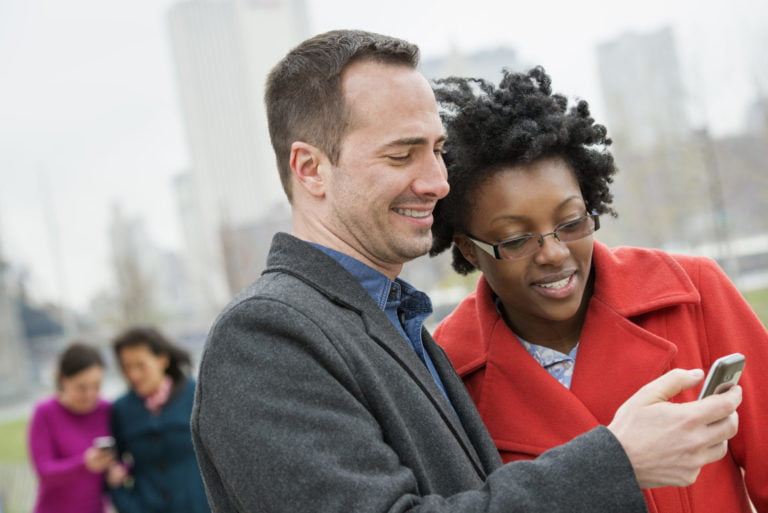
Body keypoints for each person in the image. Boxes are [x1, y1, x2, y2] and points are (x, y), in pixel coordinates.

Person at [191, 29, 741, 513]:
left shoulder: (394, 326)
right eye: (402, 155)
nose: (437, 181)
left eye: (437, 150)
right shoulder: (265, 335)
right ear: (310, 168)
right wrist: (618, 461)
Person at [429, 66, 767, 512]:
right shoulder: (449, 368)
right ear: (469, 251)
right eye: (515, 240)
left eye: (571, 223)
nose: (552, 253)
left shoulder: (694, 293)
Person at [108, 326, 210, 513]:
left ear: (162, 359)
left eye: (140, 365)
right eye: (126, 367)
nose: (133, 375)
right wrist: (128, 504)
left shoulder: (196, 394)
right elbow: (113, 467)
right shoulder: (121, 409)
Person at [27, 342, 114, 513]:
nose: (90, 394)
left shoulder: (106, 410)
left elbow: (123, 456)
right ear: (62, 381)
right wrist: (84, 464)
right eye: (81, 388)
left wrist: (118, 468)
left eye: (96, 386)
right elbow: (45, 472)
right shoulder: (45, 413)